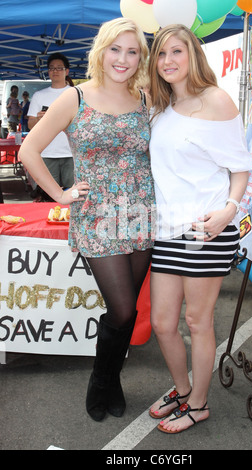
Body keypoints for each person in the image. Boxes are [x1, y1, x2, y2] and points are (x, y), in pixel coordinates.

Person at [19, 17, 155, 422]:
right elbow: (29, 150)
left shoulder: (147, 99)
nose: (123, 58)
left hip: (141, 212)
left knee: (126, 310)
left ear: (140, 58)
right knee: (123, 308)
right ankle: (101, 379)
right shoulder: (75, 97)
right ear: (101, 51)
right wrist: (61, 193)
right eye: (116, 49)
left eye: (132, 51)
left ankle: (110, 379)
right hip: (97, 216)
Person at [148, 24, 252, 434]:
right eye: (161, 54)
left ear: (193, 54)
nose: (169, 61)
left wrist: (229, 210)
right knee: (161, 322)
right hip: (166, 229)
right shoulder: (160, 106)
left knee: (196, 322)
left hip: (204, 228)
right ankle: (182, 387)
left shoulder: (217, 100)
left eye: (177, 51)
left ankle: (199, 403)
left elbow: (240, 167)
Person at [27, 52, 74, 201]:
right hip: (47, 153)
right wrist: (40, 119)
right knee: (48, 198)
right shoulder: (39, 96)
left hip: (73, 153)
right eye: (52, 68)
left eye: (59, 68)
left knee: (75, 195)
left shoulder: (77, 94)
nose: (55, 71)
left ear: (66, 71)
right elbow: (30, 125)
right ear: (48, 72)